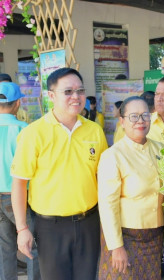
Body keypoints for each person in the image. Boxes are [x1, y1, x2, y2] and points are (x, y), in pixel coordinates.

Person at [11, 68, 108, 280]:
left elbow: (103, 179)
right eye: (68, 91)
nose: (76, 96)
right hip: (50, 228)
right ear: (51, 95)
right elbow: (19, 183)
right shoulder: (33, 133)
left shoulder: (95, 131)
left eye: (80, 90)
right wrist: (22, 229)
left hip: (89, 222)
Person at [97, 96, 164, 280]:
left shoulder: (161, 150)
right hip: (126, 236)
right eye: (133, 116)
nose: (140, 121)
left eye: (145, 115)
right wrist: (116, 246)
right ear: (122, 121)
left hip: (157, 234)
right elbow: (107, 204)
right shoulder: (113, 155)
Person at [0, 82, 40, 280]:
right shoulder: (26, 130)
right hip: (19, 198)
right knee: (31, 246)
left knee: (5, 249)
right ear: (18, 104)